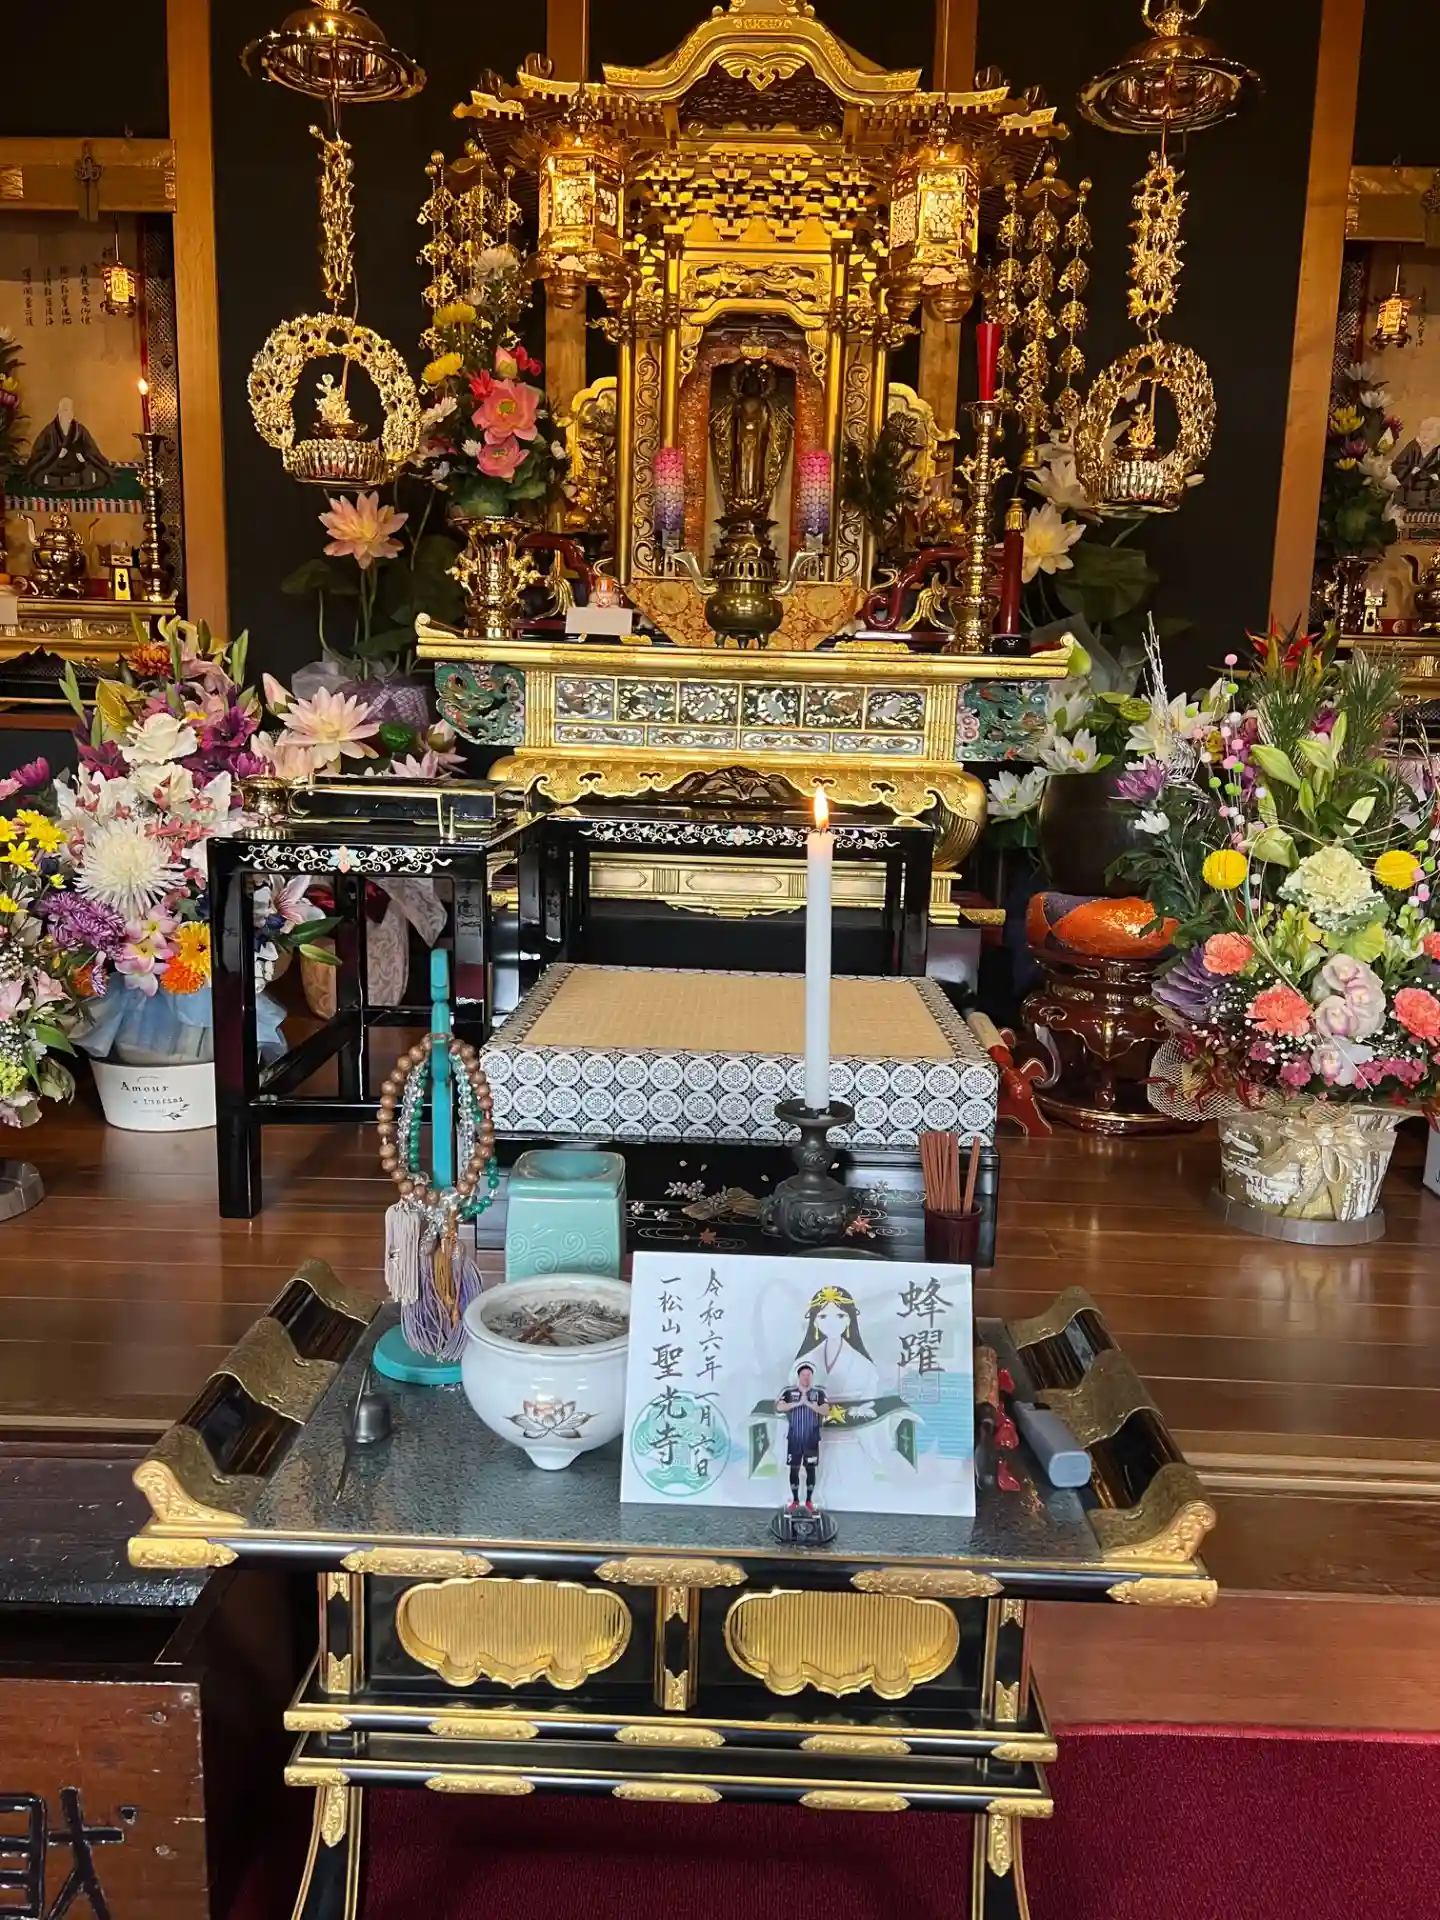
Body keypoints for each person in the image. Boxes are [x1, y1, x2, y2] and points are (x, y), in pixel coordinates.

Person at [24, 398, 114, 493]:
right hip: (55, 467)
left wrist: (82, 456)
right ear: (58, 412)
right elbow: (38, 453)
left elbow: (91, 449)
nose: (66, 414)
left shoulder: (80, 430)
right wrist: (57, 454)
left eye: (68, 410)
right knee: (38, 475)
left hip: (76, 465)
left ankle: (67, 482)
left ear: (72, 413)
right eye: (63, 410)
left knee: (98, 474)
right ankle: (71, 482)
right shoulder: (49, 431)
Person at [774, 1363, 827, 1514]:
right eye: (803, 1375)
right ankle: (795, 1500)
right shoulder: (789, 1392)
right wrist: (798, 1403)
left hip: (811, 1439)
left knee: (811, 1469)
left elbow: (825, 1410)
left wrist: (809, 1404)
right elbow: (779, 1407)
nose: (806, 1378)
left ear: (812, 1377)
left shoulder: (818, 1393)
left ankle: (809, 1501)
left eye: (809, 1375)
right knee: (794, 1469)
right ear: (799, 1377)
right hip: (794, 1439)